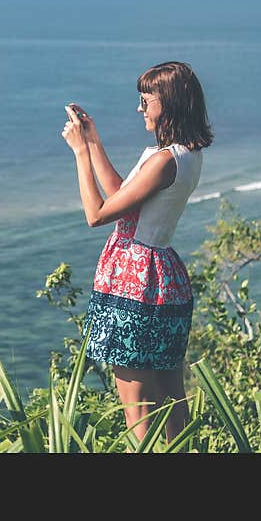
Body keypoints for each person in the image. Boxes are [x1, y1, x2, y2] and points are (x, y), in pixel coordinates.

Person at [60, 61, 213, 444]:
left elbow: (97, 214)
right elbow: (122, 198)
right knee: (171, 397)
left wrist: (80, 153)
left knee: (137, 406)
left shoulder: (163, 161)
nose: (140, 109)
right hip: (164, 278)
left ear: (170, 103)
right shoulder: (182, 155)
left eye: (147, 101)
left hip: (135, 282)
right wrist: (94, 141)